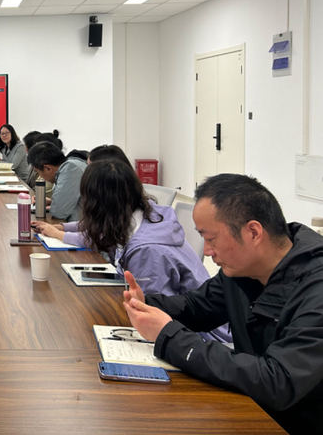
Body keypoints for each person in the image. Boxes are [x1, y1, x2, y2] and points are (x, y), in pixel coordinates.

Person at [122, 174, 323, 434]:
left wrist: (170, 337)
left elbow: (279, 381)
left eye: (211, 238)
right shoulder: (241, 270)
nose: (206, 251)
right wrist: (146, 304)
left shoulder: (315, 287)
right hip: (252, 410)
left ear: (253, 232)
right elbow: (196, 308)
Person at [32, 161, 224, 316]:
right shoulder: (143, 214)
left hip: (199, 333)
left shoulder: (146, 250)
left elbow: (150, 311)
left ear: (96, 204)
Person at [35, 143, 132, 239]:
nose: (86, 172)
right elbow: (93, 225)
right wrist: (61, 227)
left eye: (89, 167)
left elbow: (100, 239)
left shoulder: (118, 201)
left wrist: (58, 234)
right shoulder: (110, 194)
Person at [27, 141, 86, 221]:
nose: (40, 176)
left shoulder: (70, 169)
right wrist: (52, 202)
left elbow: (58, 212)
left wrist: (55, 205)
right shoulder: (69, 165)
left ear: (48, 168)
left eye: (38, 172)